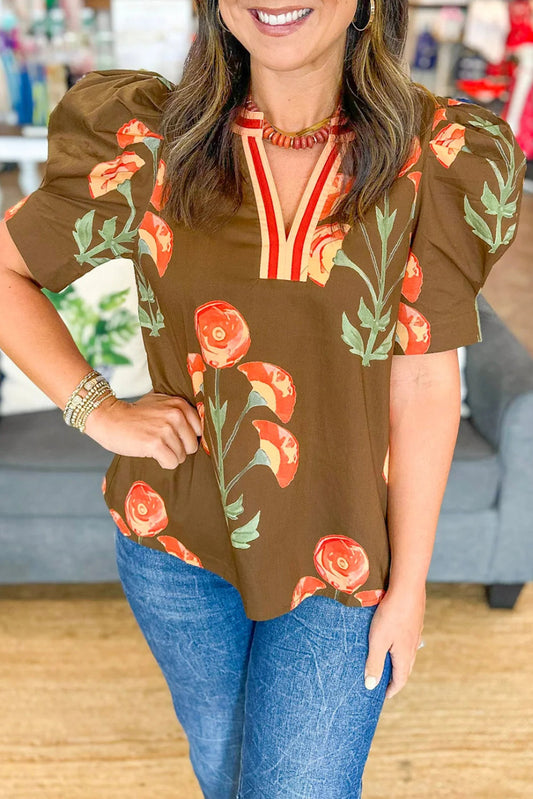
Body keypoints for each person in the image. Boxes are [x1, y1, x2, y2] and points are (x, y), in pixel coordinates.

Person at [0, 0, 526, 796]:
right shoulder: (151, 144)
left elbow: (422, 379)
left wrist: (411, 585)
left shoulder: (435, 155)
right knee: (225, 766)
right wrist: (98, 409)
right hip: (174, 547)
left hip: (343, 556)